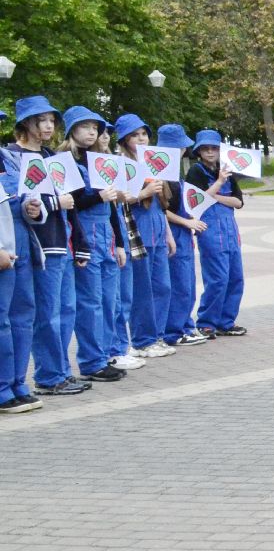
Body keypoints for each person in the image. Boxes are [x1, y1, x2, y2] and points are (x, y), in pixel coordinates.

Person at [13, 96, 87, 395]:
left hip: (62, 241)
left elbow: (72, 205)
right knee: (46, 314)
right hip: (39, 244)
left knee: (66, 309)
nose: (47, 125)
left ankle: (61, 371)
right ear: (26, 124)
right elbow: (21, 202)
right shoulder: (12, 156)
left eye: (51, 120)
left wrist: (80, 243)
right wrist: (55, 202)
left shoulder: (52, 157)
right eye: (40, 120)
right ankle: (48, 376)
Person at [62, 106, 125, 383]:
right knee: (90, 301)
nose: (91, 131)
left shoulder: (99, 160)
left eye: (95, 127)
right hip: (85, 234)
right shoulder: (64, 160)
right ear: (72, 129)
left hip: (107, 236)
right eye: (85, 126)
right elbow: (73, 204)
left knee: (110, 299)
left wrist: (120, 243)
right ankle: (91, 361)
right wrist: (100, 196)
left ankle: (106, 353)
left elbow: (112, 207)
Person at [114, 113, 175, 359]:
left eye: (144, 134)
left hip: (158, 231)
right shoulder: (121, 163)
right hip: (138, 232)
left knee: (163, 287)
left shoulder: (153, 162)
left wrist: (168, 234)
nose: (141, 139)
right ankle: (142, 340)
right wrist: (144, 192)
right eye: (134, 135)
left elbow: (162, 204)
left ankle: (157, 335)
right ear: (124, 140)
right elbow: (121, 198)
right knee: (143, 290)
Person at [1, 103, 46, 413]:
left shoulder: (9, 158)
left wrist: (34, 210)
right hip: (2, 251)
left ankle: (18, 382)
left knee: (23, 316)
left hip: (21, 246)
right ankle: (2, 388)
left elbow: (31, 197)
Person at [189, 130, 248, 338]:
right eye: (206, 148)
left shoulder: (227, 171)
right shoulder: (196, 172)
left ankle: (226, 321)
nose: (210, 152)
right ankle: (206, 322)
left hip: (230, 231)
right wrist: (220, 185)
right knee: (217, 279)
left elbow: (239, 202)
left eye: (214, 148)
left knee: (235, 278)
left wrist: (218, 195)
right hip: (210, 231)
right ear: (199, 151)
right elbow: (198, 200)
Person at [157, 124, 208, 348]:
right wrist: (186, 221)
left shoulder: (174, 172)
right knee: (178, 284)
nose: (183, 151)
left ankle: (185, 325)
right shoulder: (158, 173)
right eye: (180, 147)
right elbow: (160, 209)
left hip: (184, 234)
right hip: (175, 232)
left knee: (187, 283)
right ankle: (173, 330)